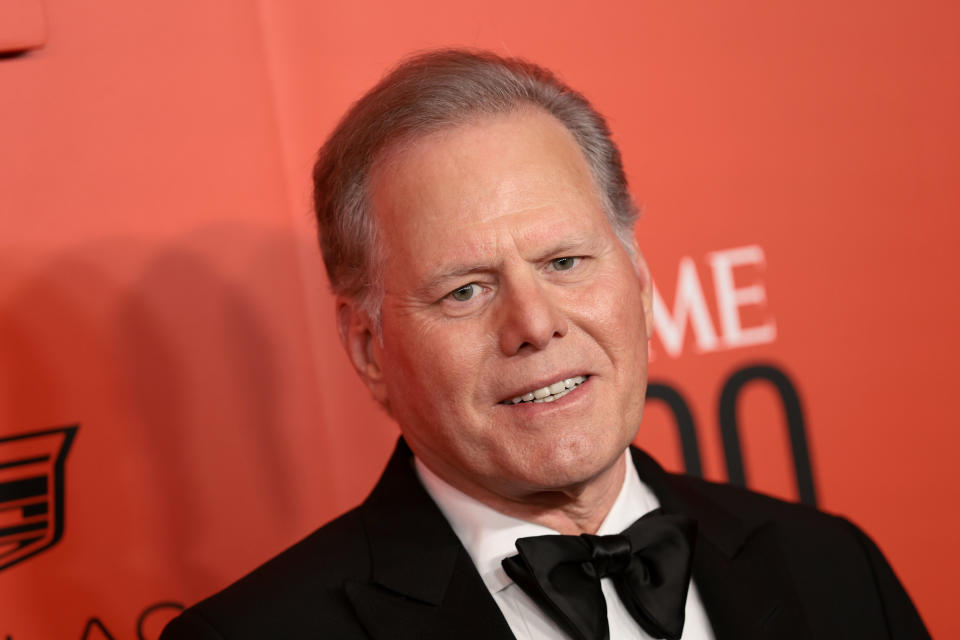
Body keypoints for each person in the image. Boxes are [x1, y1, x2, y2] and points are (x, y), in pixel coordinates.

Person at [161, 49, 929, 639]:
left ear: (639, 282)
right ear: (368, 349)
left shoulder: (831, 566)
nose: (534, 323)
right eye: (466, 289)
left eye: (565, 263)